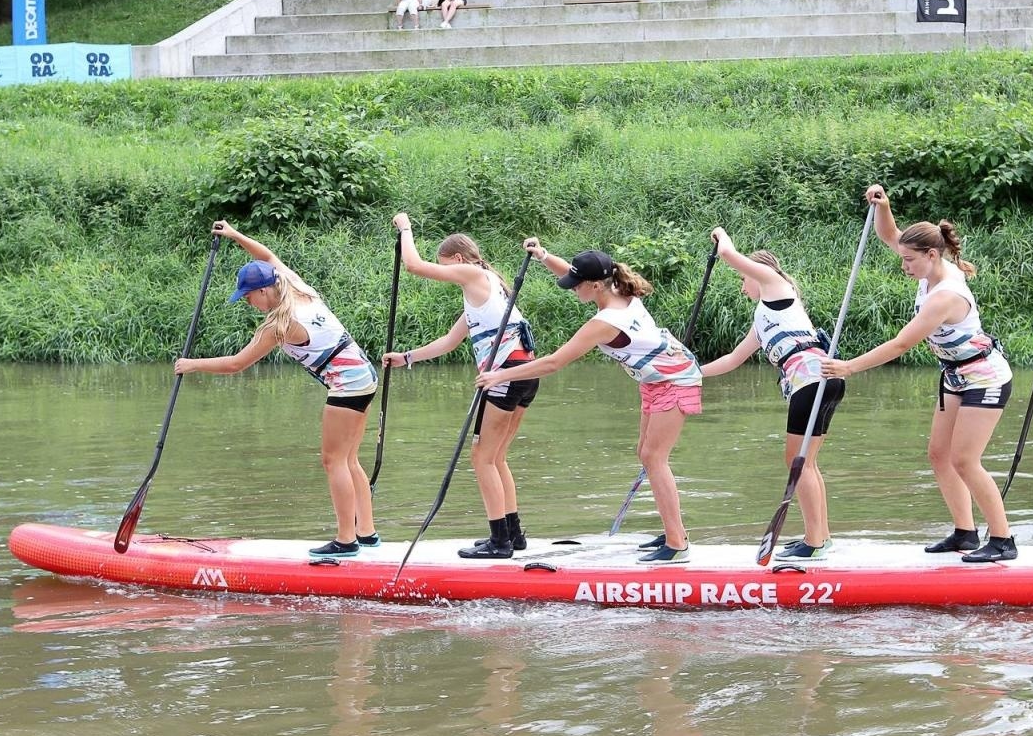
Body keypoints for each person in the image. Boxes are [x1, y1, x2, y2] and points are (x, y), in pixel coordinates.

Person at [820, 185, 1018, 563]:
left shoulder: (945, 295)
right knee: (938, 454)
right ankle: (964, 533)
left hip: (985, 378)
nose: (904, 266)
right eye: (903, 259)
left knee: (964, 459)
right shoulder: (928, 263)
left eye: (909, 260)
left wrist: (848, 367)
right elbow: (890, 236)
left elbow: (899, 345)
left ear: (931, 255)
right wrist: (885, 206)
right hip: (955, 376)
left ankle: (1003, 540)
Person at [476, 241, 703, 564]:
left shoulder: (605, 323)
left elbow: (554, 363)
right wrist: (543, 256)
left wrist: (499, 376)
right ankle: (672, 531)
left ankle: (677, 544)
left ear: (596, 286)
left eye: (576, 285)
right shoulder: (620, 291)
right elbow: (573, 273)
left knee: (655, 457)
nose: (571, 289)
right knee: (646, 454)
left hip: (677, 379)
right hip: (656, 380)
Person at [173, 221, 379, 559]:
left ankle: (346, 541)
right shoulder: (294, 285)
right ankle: (366, 533)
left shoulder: (279, 324)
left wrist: (192, 364)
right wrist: (235, 236)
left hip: (347, 386)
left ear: (265, 291)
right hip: (364, 375)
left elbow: (237, 364)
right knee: (349, 459)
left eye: (249, 296)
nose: (248, 302)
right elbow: (267, 255)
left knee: (333, 461)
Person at [385, 212, 539, 559]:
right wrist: (406, 357)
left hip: (505, 374)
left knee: (482, 458)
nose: (446, 272)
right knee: (496, 456)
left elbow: (413, 265)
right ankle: (513, 536)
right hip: (524, 372)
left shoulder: (474, 273)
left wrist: (406, 228)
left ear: (457, 260)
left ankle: (499, 543)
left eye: (445, 265)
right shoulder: (489, 288)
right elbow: (449, 342)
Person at [699, 227, 844, 560]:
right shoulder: (765, 316)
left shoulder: (774, 284)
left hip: (813, 381)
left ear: (756, 272)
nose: (741, 285)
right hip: (822, 380)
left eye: (742, 279)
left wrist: (722, 233)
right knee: (806, 462)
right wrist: (693, 374)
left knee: (797, 462)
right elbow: (734, 359)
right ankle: (820, 537)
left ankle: (814, 544)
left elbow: (728, 255)